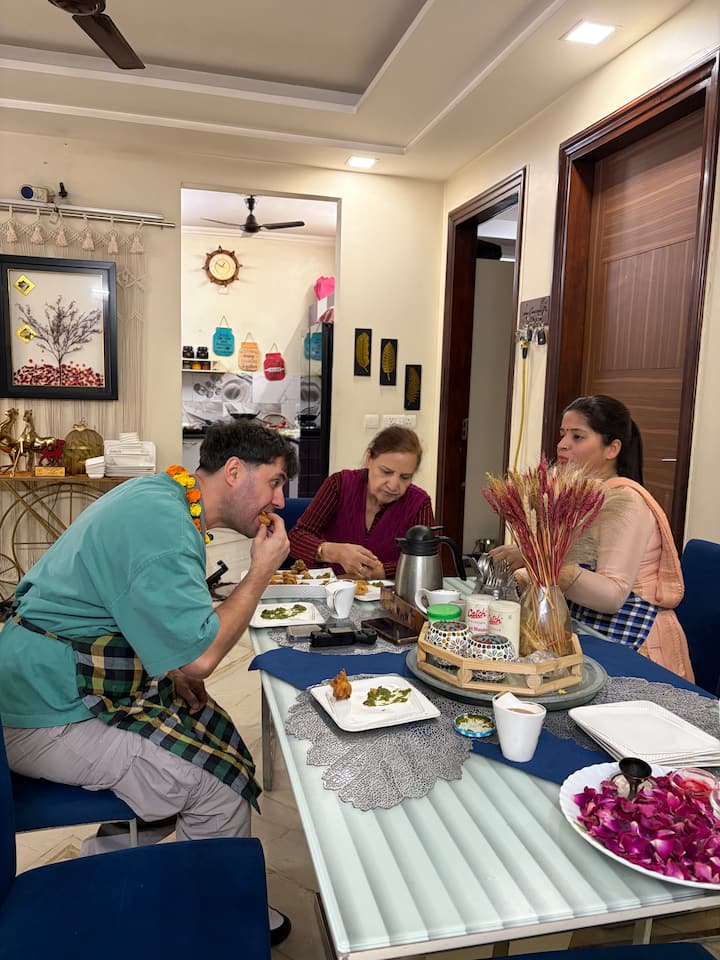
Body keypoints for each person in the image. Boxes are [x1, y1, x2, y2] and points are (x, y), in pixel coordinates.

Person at [0, 419, 298, 945]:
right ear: (234, 471)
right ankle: (218, 919)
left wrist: (172, 666)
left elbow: (130, 607)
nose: (280, 499)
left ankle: (104, 872)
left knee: (209, 727)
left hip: (51, 680)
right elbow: (203, 657)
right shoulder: (164, 531)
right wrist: (260, 573)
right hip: (43, 709)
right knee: (215, 783)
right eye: (274, 482)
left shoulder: (162, 497)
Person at [491, 395, 693, 680]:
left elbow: (612, 596)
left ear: (612, 448)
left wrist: (537, 558)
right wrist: (526, 568)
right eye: (563, 434)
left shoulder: (626, 502)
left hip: (634, 648)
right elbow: (572, 565)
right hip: (590, 633)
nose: (562, 444)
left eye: (577, 436)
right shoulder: (582, 496)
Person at [288, 426, 434, 579]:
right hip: (325, 588)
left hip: (387, 593)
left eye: (405, 477)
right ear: (369, 459)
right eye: (386, 472)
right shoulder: (339, 485)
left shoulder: (419, 503)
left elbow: (427, 563)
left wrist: (380, 572)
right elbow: (296, 538)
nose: (393, 485)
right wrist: (334, 552)